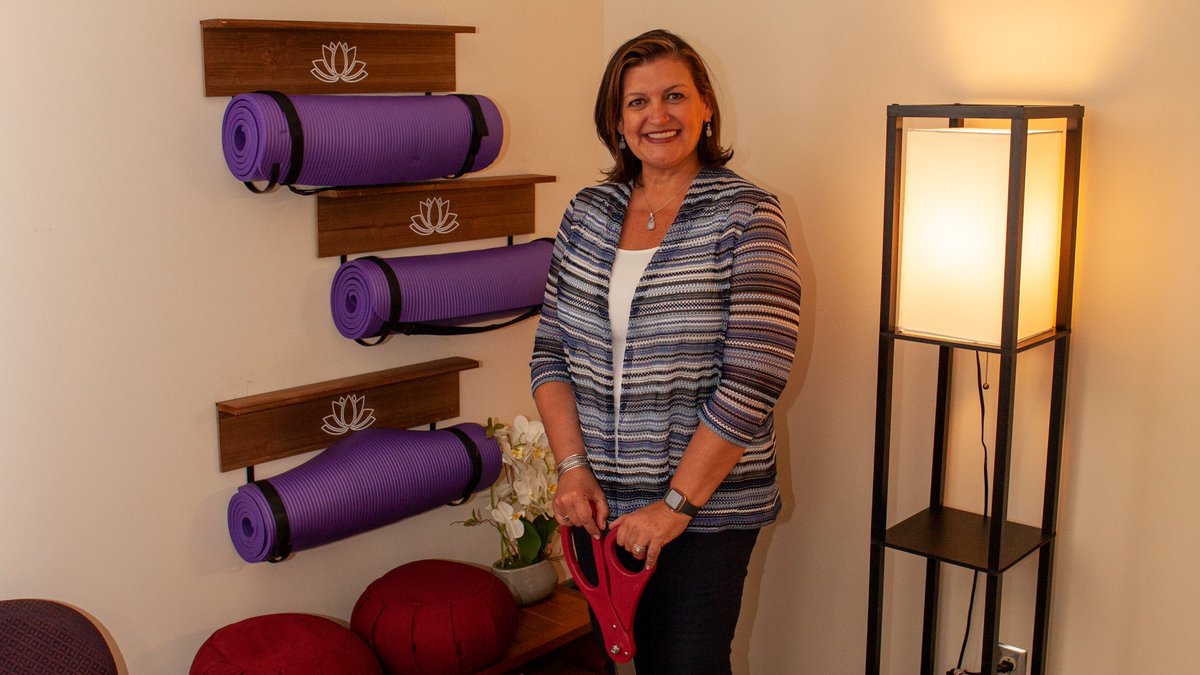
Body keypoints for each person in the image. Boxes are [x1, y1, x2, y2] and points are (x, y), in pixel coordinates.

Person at [530, 29, 802, 674]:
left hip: (707, 515)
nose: (658, 115)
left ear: (705, 106)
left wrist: (674, 506)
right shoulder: (587, 212)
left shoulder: (748, 215)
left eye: (674, 95)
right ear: (616, 121)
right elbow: (551, 352)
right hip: (599, 507)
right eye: (637, 102)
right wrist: (572, 468)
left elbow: (754, 380)